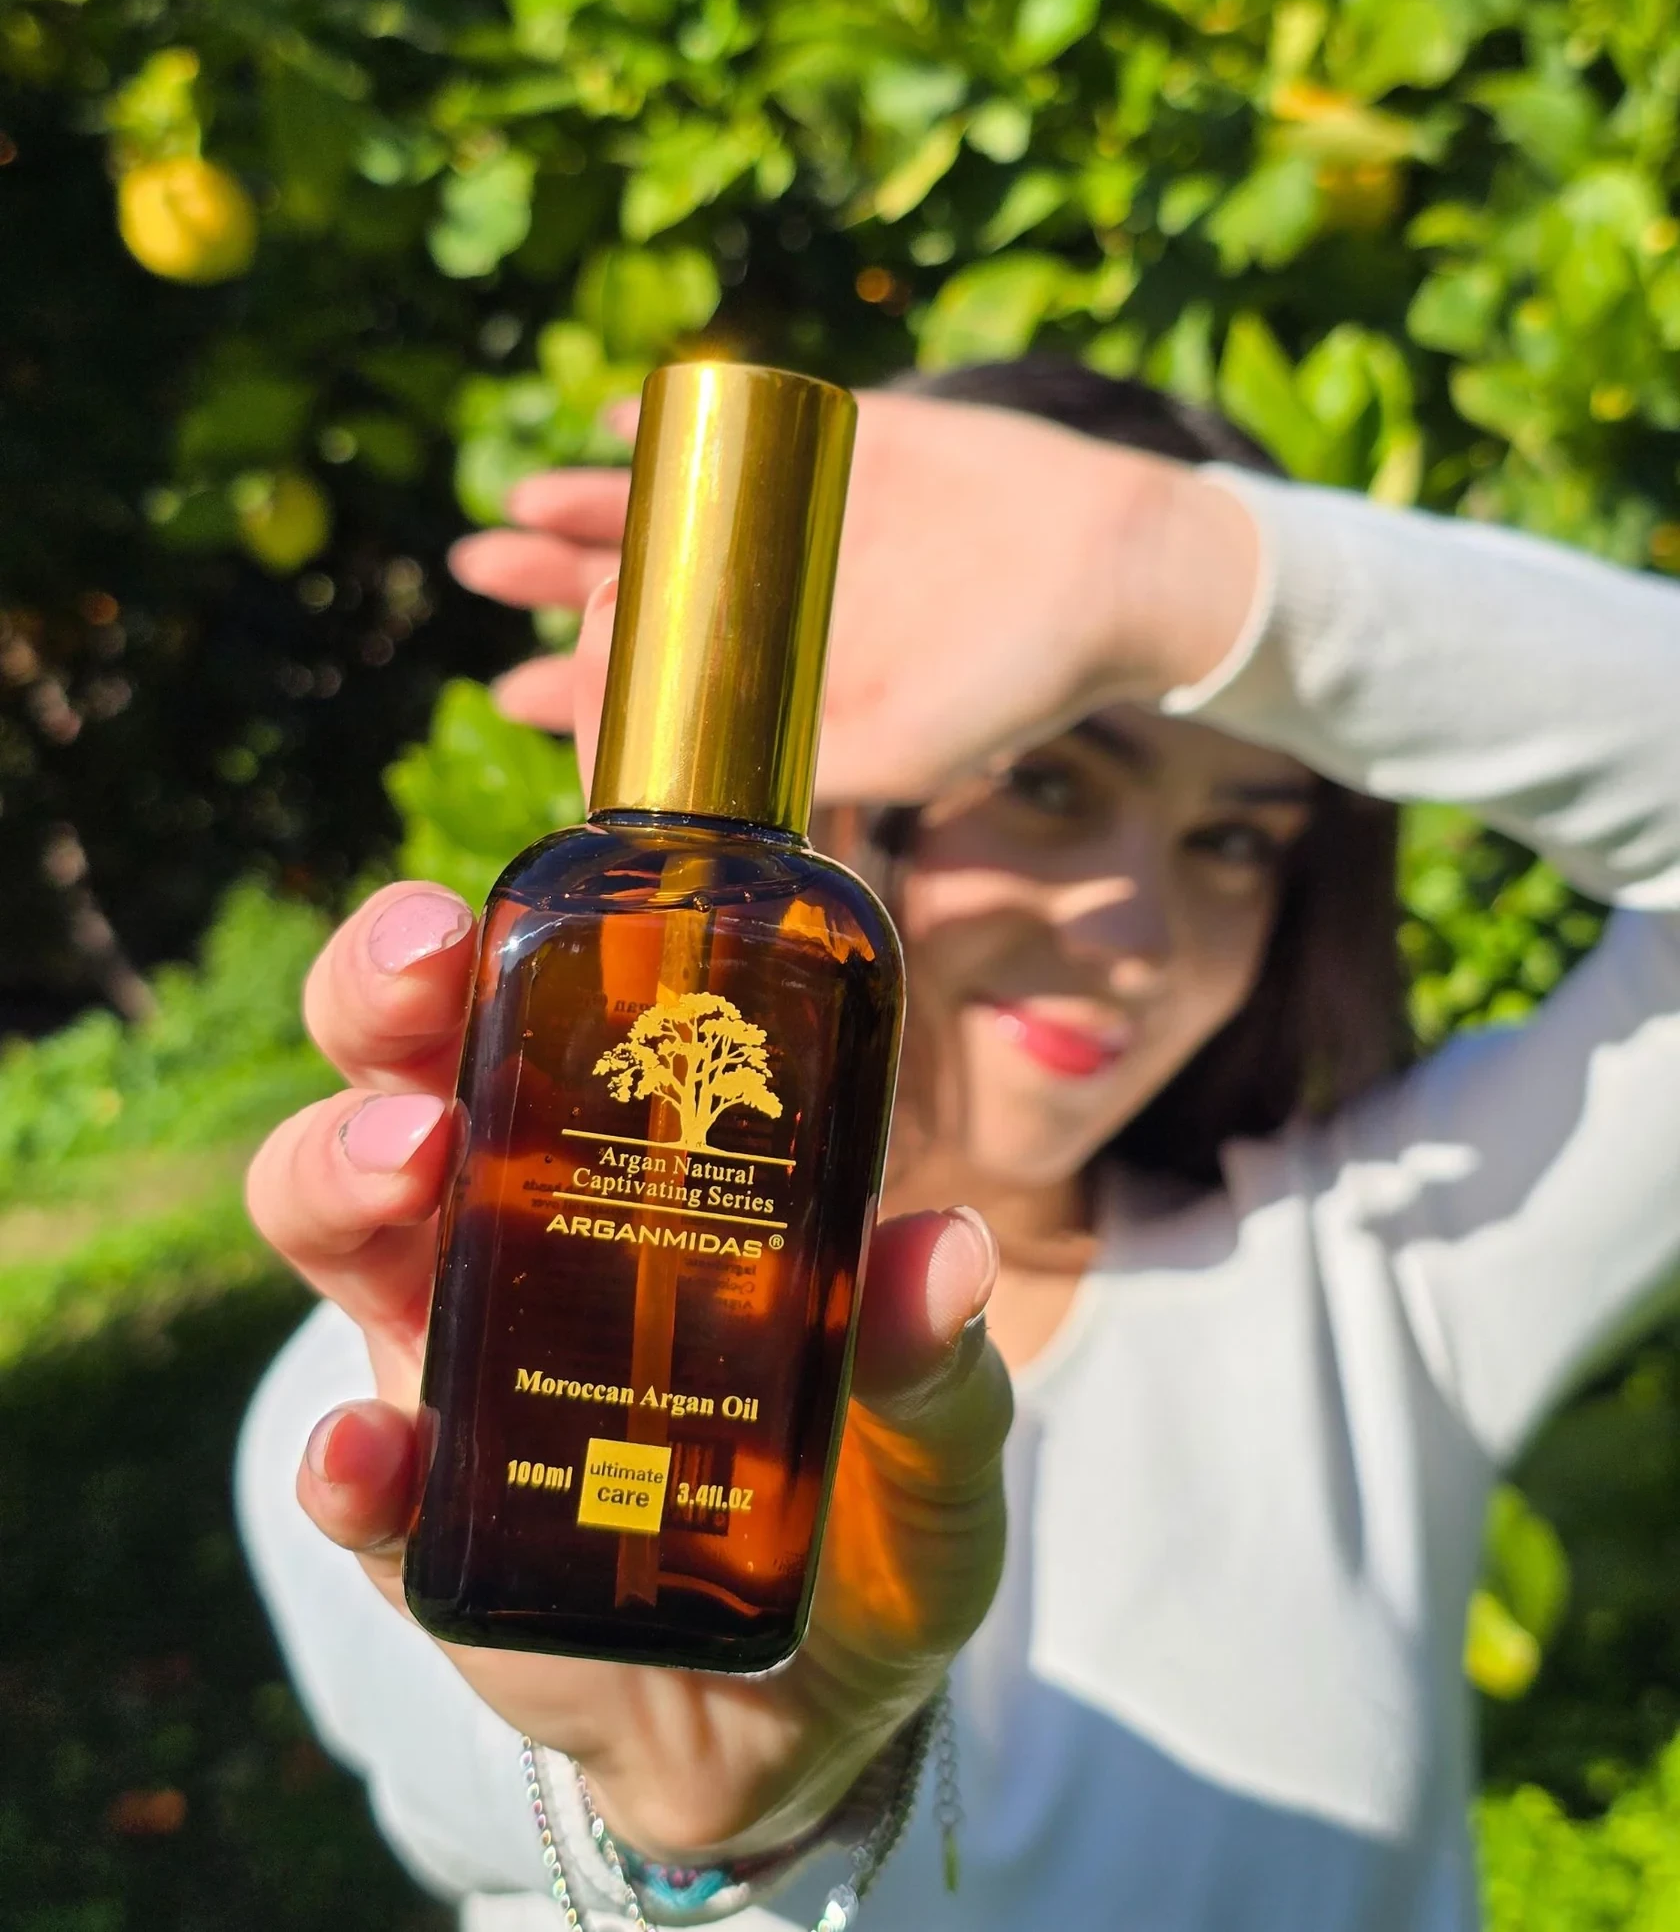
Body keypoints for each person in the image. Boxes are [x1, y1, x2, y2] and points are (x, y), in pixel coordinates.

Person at [237, 358, 1680, 1932]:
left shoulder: (1387, 1260)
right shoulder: (438, 1353)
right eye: (1049, 782)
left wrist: (1178, 570)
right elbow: (463, 1780)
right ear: (840, 766)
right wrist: (708, 1819)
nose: (1134, 930)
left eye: (1234, 838)